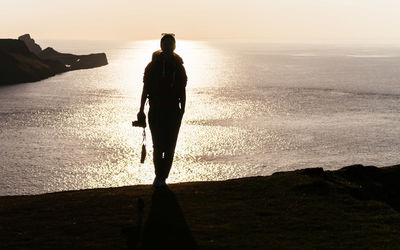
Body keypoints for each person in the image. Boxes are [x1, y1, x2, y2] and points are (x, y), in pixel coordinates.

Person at [137, 33, 187, 188]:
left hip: (173, 111)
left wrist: (182, 111)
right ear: (161, 45)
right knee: (158, 145)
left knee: (170, 145)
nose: (167, 46)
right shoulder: (152, 66)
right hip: (156, 110)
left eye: (170, 44)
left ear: (174, 46)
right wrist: (140, 110)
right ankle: (159, 177)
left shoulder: (179, 66)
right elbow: (145, 89)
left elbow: (183, 91)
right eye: (165, 43)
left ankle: (162, 177)